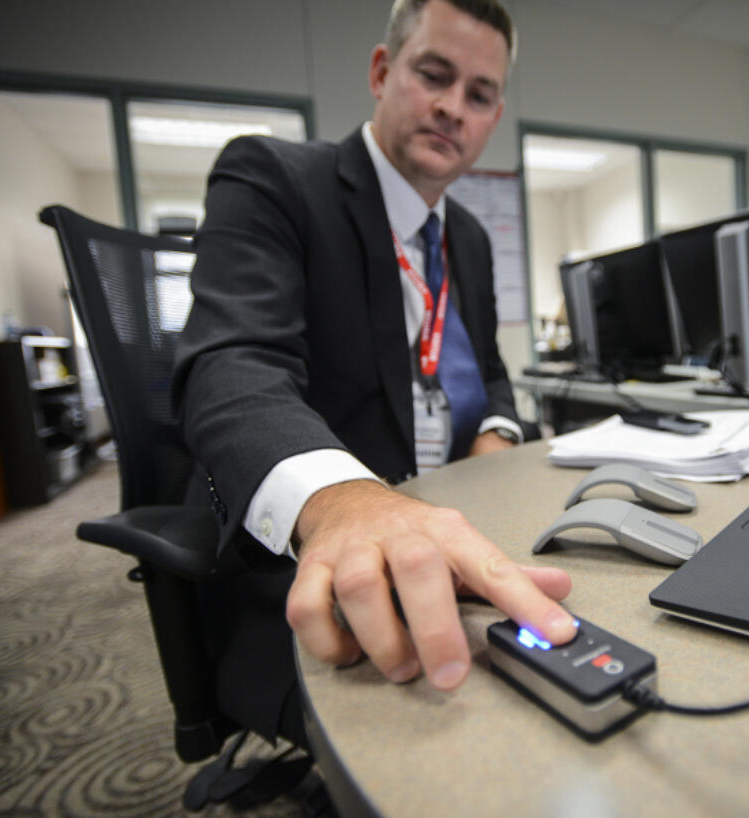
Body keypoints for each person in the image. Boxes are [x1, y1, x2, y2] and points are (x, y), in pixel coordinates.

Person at [172, 0, 576, 740]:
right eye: (434, 74)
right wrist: (343, 502)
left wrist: (492, 438)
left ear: (493, 117)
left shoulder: (472, 241)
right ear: (383, 71)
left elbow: (491, 376)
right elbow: (233, 364)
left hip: (452, 522)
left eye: (479, 95)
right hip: (315, 568)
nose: (453, 107)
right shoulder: (275, 179)